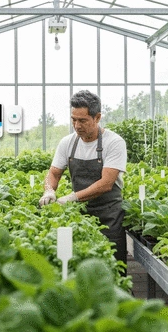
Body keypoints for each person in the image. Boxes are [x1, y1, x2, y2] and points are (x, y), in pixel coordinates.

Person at [39, 90, 128, 268]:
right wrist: (49, 190)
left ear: (97, 117)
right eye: (73, 119)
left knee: (114, 266)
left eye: (83, 120)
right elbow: (54, 173)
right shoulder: (68, 142)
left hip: (109, 216)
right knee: (81, 264)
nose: (77, 125)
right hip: (80, 216)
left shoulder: (114, 143)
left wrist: (72, 197)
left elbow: (106, 184)